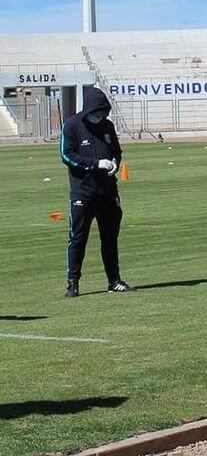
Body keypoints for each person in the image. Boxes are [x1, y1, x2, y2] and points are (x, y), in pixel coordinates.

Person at [60, 87, 133, 298]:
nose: (99, 117)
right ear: (88, 110)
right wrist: (95, 164)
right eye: (97, 113)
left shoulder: (107, 126)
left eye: (102, 113)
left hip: (108, 192)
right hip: (83, 193)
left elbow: (116, 152)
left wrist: (114, 164)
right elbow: (67, 155)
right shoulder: (72, 126)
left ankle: (114, 280)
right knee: (78, 238)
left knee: (110, 238)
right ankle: (72, 283)